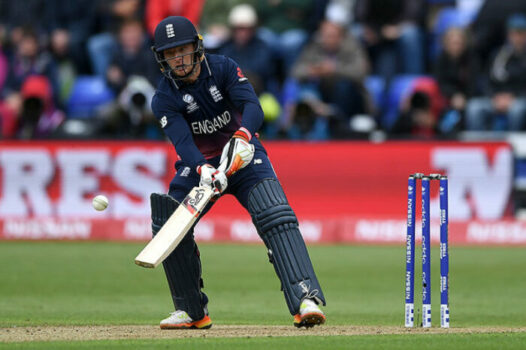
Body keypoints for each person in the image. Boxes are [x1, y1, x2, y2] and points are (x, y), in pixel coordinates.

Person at [149, 16, 326, 329]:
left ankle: (305, 298)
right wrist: (203, 168)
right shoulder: (164, 97)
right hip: (200, 167)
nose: (177, 58)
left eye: (183, 49)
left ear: (196, 47)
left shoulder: (224, 68)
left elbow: (253, 106)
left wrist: (243, 135)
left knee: (276, 216)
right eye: (170, 53)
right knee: (168, 224)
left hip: (243, 157)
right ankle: (192, 311)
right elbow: (182, 141)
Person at [465, 13, 526, 131]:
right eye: (513, 33)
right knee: (474, 107)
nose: (517, 37)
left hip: (520, 98)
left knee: (517, 109)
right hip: (496, 98)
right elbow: (486, 80)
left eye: (521, 33)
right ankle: (480, 145)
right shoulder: (497, 54)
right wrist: (494, 97)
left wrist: (513, 97)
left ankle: (514, 146)